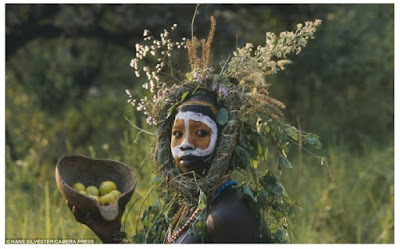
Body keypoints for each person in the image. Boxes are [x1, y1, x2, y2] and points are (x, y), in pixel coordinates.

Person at [67, 94, 258, 243]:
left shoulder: (227, 215)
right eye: (177, 133)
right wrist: (111, 235)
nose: (185, 144)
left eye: (201, 133)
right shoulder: (188, 205)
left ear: (226, 141)